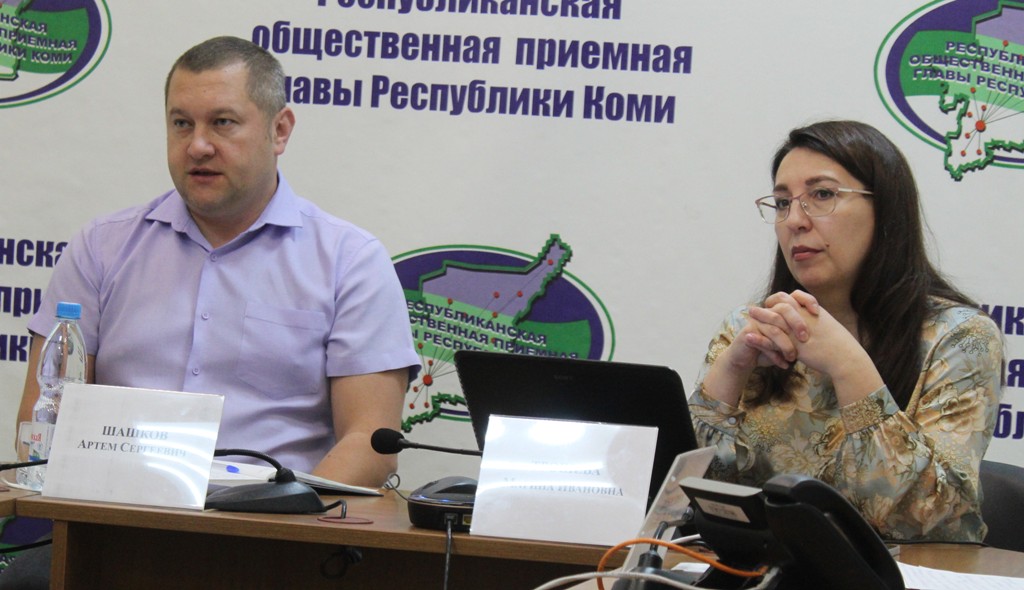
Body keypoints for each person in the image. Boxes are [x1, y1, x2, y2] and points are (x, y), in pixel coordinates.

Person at [14, 36, 419, 488]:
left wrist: (282, 517)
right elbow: (42, 424)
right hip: (111, 514)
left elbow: (370, 443)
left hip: (277, 524)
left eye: (223, 123)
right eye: (181, 124)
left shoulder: (350, 262)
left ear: (280, 130)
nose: (198, 146)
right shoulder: (101, 248)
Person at [689, 120, 1003, 542]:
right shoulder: (748, 329)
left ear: (885, 209)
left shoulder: (960, 337)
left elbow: (926, 518)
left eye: (822, 195)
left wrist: (847, 363)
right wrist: (731, 369)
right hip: (763, 568)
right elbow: (685, 501)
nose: (794, 220)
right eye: (782, 203)